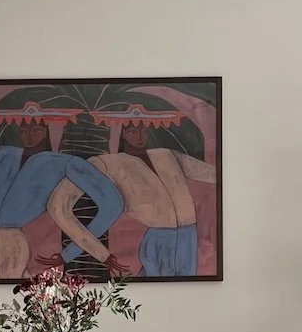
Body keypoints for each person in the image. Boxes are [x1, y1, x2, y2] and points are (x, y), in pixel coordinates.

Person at [0, 116, 124, 281]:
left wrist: (76, 253)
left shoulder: (62, 163)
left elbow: (113, 204)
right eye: (25, 129)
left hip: (12, 240)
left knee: (9, 296)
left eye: (36, 129)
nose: (29, 135)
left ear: (46, 131)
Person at [46, 116, 216, 278]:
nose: (140, 136)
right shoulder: (110, 163)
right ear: (124, 133)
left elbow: (211, 173)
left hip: (189, 236)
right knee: (155, 289)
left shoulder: (165, 155)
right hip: (158, 239)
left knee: (185, 290)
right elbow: (58, 206)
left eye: (143, 130)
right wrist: (74, 253)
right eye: (133, 131)